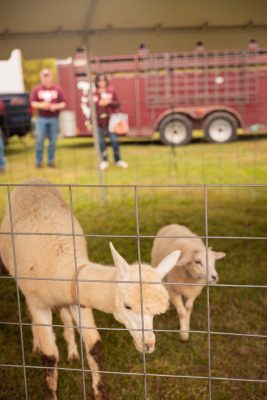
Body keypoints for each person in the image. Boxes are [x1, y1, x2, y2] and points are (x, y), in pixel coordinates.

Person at [30, 68, 66, 168]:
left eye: (48, 76)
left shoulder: (57, 89)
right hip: (41, 118)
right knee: (39, 140)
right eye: (44, 76)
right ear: (41, 77)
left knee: (53, 141)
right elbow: (32, 103)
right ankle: (38, 162)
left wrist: (55, 106)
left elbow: (63, 103)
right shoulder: (37, 89)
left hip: (54, 118)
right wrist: (42, 105)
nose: (46, 78)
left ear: (51, 77)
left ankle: (51, 161)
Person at [94, 74, 128, 170]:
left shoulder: (111, 91)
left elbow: (117, 104)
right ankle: (104, 160)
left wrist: (109, 102)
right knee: (101, 142)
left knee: (114, 141)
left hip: (111, 121)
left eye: (103, 80)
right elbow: (92, 107)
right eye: (99, 80)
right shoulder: (94, 93)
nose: (101, 82)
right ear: (97, 82)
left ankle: (118, 160)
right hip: (99, 121)